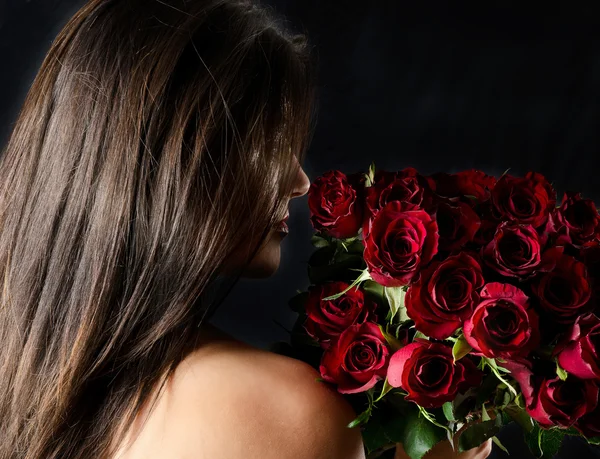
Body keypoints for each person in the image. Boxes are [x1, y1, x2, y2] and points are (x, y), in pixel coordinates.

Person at [0, 1, 492, 458]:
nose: (300, 182)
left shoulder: (27, 380)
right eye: (270, 142)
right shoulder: (280, 412)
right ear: (184, 160)